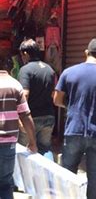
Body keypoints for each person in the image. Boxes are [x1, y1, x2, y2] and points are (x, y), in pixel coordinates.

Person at [53, 38, 96, 199]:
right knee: (95, 177)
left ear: (86, 53)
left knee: (68, 174)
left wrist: (72, 106)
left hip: (73, 129)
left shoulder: (69, 72)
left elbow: (57, 100)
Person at [0, 58, 37, 199]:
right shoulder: (15, 85)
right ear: (11, 68)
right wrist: (32, 141)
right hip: (7, 144)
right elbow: (26, 116)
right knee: (4, 184)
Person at [17, 39, 56, 157]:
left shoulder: (25, 70)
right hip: (49, 115)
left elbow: (25, 94)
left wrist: (21, 119)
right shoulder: (50, 69)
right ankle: (47, 174)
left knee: (26, 151)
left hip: (32, 118)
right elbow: (54, 94)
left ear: (25, 54)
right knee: (45, 149)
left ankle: (27, 176)